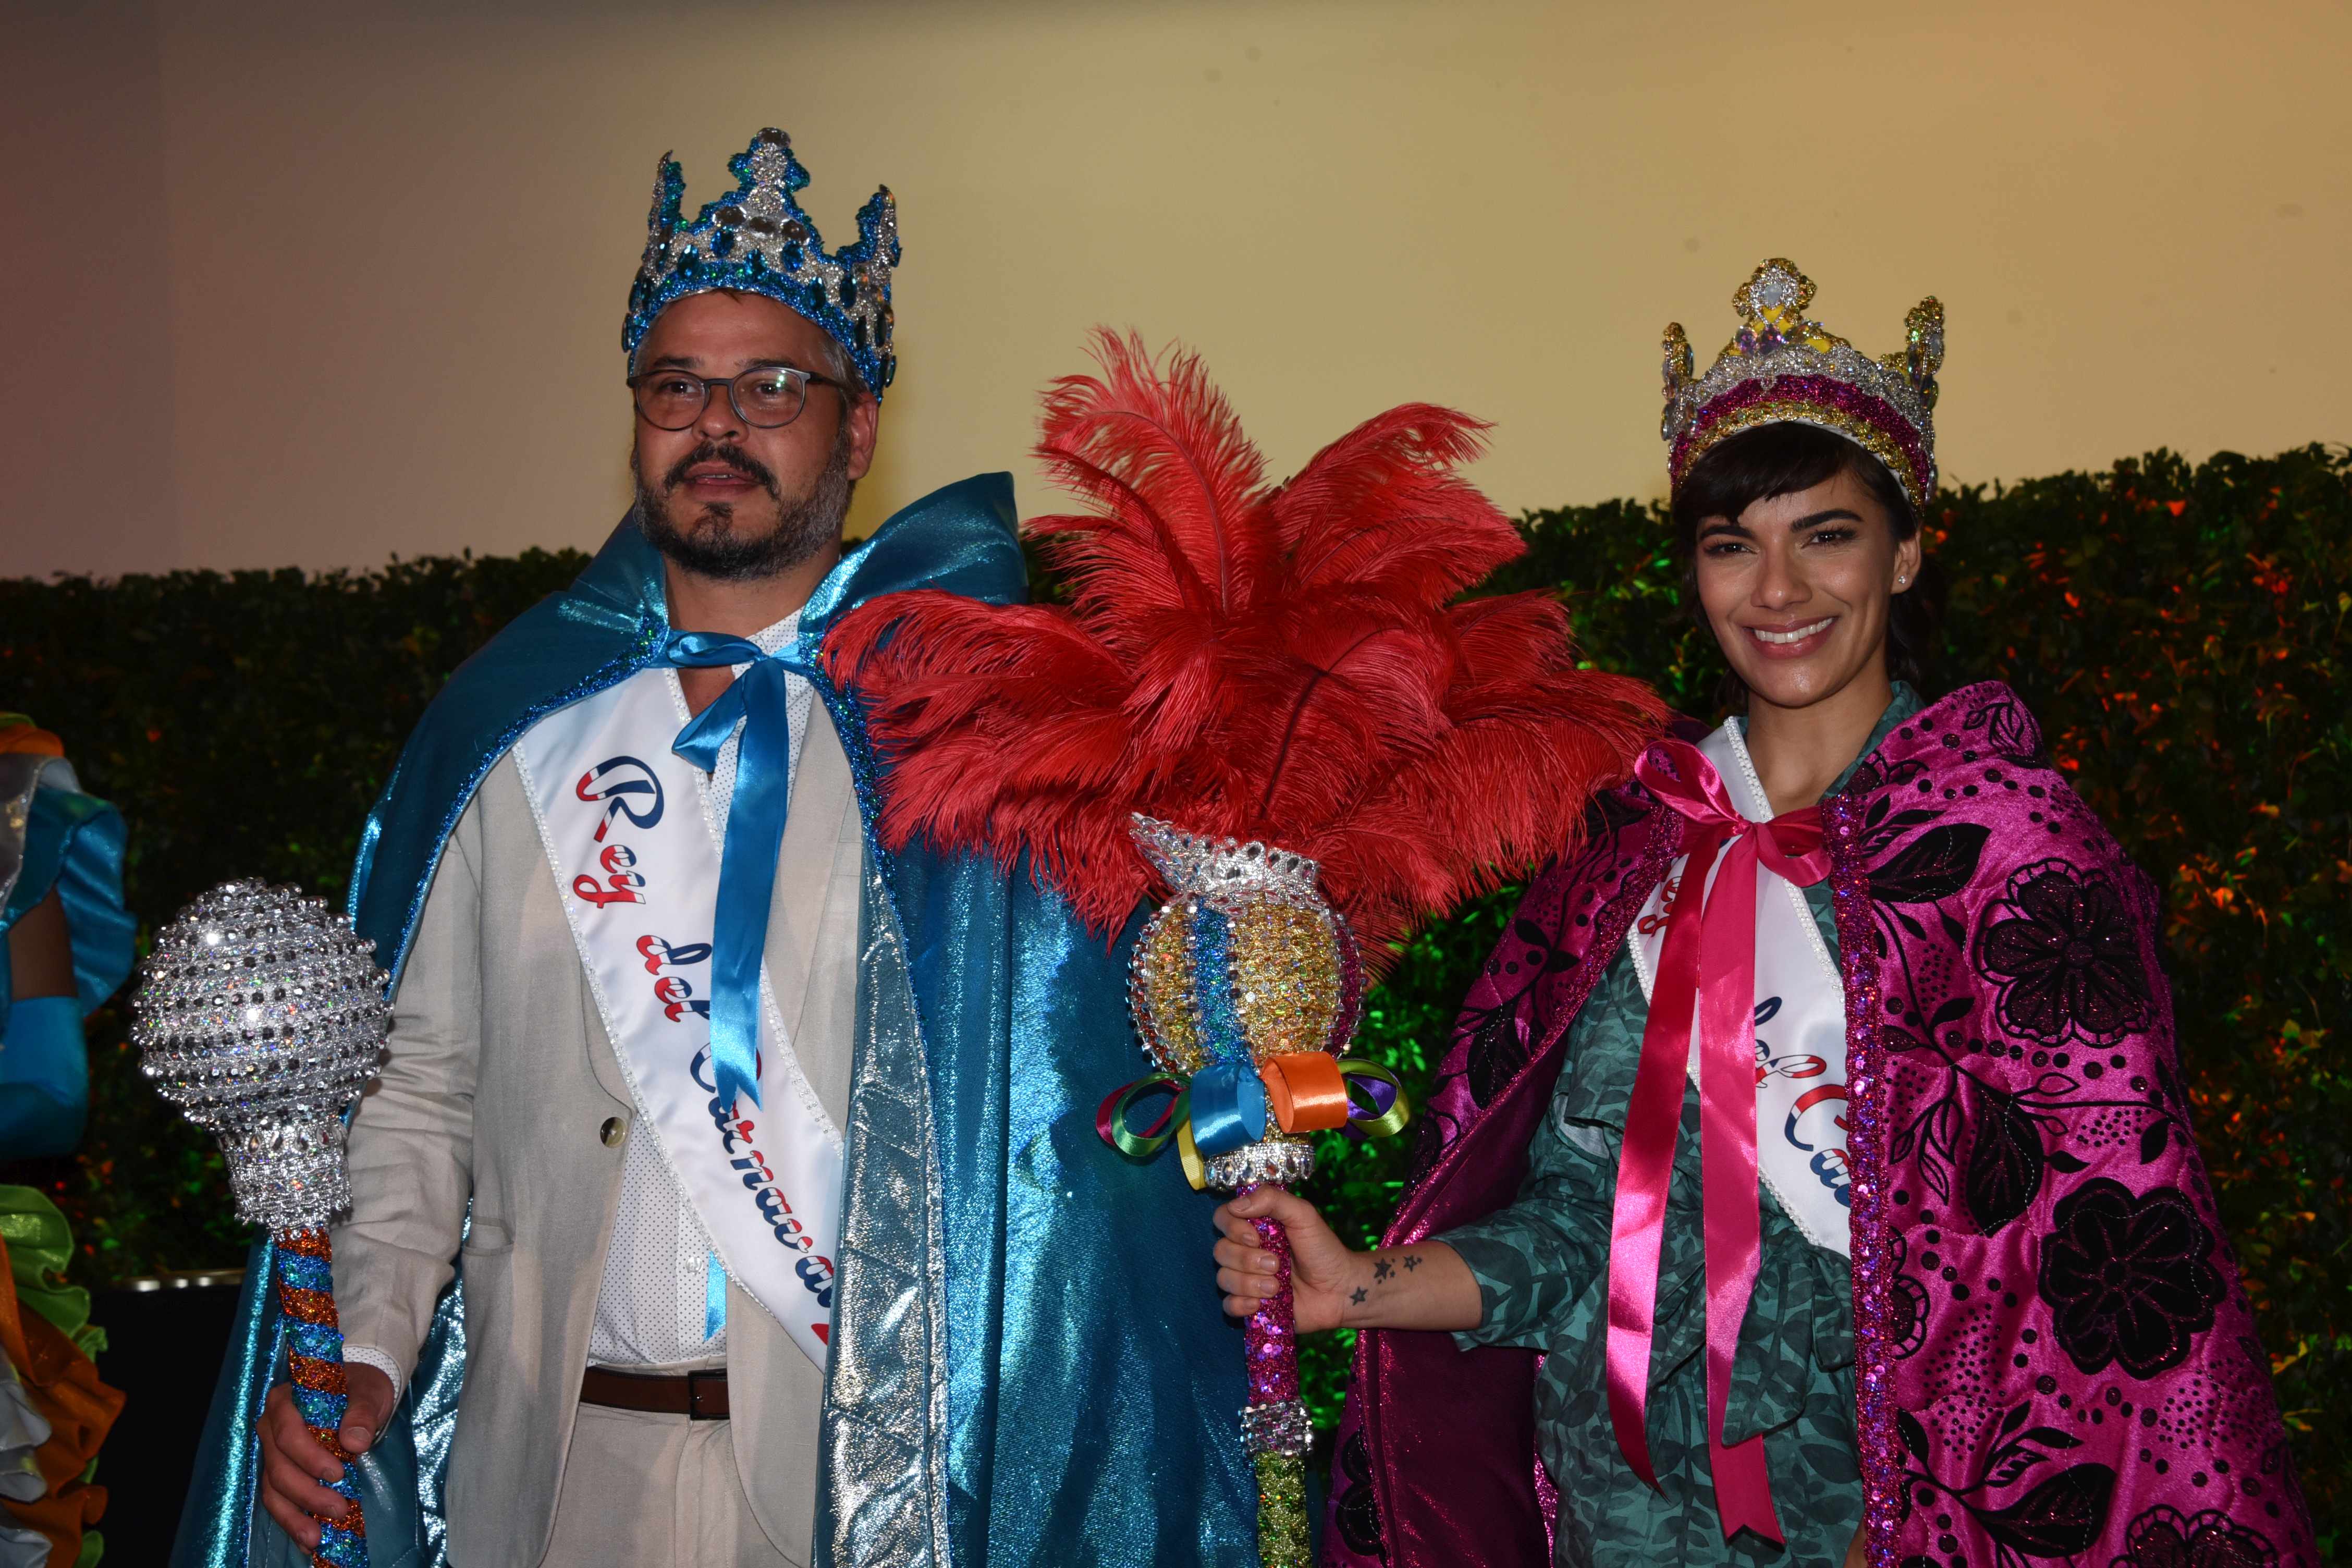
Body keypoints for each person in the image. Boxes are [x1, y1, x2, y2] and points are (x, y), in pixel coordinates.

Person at [180, 127, 1255, 1568]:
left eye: (771, 387)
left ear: (857, 429)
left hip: (850, 1479)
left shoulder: (968, 727)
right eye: (678, 385)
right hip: (553, 1477)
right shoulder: (516, 724)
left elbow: (1055, 1127)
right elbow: (418, 1089)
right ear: (635, 417)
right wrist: (365, 1346)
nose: (718, 425)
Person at [1214, 261, 2317, 1567]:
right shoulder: (1632, 838)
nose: (1779, 589)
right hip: (1615, 1517)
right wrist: (1355, 1287)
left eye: (1827, 534)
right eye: (1734, 545)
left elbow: (2067, 1266)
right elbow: (1579, 1222)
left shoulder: (2010, 857)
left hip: (1875, 1523)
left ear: (1906, 550)